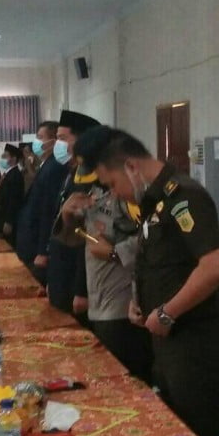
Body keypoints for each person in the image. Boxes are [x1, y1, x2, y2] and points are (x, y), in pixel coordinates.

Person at [93, 130, 219, 436]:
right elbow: (159, 262)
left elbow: (216, 266)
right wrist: (138, 300)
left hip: (195, 346)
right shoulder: (154, 201)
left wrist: (168, 313)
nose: (114, 194)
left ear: (131, 166)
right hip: (168, 344)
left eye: (113, 184)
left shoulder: (185, 196)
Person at [55, 126, 153, 383]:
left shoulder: (131, 193)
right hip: (99, 297)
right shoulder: (96, 191)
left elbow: (152, 236)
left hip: (123, 305)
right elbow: (83, 239)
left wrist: (114, 253)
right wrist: (68, 217)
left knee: (125, 382)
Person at [45, 110, 100, 316]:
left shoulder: (93, 180)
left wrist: (81, 290)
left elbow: (87, 238)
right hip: (60, 270)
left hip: (75, 277)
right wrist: (51, 276)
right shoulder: (73, 172)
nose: (57, 145)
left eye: (62, 138)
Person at [15, 122, 67, 284]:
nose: (36, 142)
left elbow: (48, 210)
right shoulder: (46, 165)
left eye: (40, 137)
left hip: (37, 243)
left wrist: (42, 250)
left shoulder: (54, 167)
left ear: (53, 141)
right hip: (30, 239)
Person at [0, 144, 25, 244]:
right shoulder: (8, 174)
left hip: (6, 221)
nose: (3, 158)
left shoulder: (15, 176)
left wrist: (9, 222)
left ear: (14, 158)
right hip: (0, 218)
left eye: (6, 156)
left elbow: (13, 201)